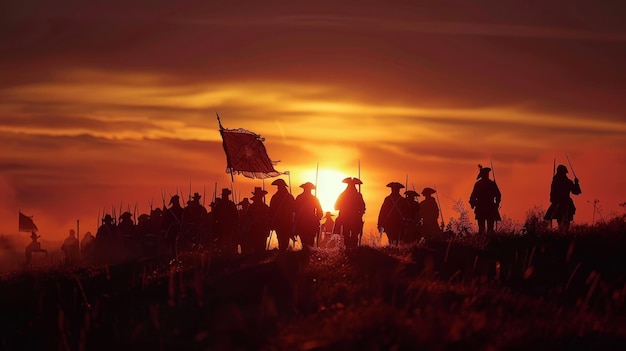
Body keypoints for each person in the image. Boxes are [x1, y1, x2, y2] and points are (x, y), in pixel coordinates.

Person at [544, 164, 582, 232]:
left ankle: (563, 234)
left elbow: (576, 192)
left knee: (564, 221)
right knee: (558, 220)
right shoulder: (562, 182)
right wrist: (576, 184)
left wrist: (576, 184)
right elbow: (576, 191)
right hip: (561, 203)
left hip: (564, 204)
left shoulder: (558, 182)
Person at [334, 177, 366, 249]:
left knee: (346, 234)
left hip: (346, 218)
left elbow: (336, 207)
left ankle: (348, 248)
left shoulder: (343, 195)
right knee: (354, 235)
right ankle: (353, 248)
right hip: (355, 218)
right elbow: (363, 208)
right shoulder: (358, 195)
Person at [469, 165, 502, 235]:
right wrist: (496, 204)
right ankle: (488, 240)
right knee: (488, 227)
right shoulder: (491, 184)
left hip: (482, 208)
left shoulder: (478, 184)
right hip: (489, 207)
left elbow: (472, 197)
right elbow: (498, 195)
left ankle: (483, 241)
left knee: (482, 228)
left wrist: (473, 204)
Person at [377, 182, 411, 246]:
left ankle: (392, 248)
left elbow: (382, 212)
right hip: (399, 222)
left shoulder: (387, 199)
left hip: (389, 222)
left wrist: (380, 223)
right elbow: (407, 212)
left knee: (391, 239)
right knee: (397, 238)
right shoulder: (403, 200)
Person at [293, 182, 323, 249]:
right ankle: (308, 253)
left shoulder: (299, 197)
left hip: (301, 222)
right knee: (311, 240)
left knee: (304, 240)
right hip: (311, 221)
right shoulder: (314, 198)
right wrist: (318, 218)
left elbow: (294, 209)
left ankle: (305, 251)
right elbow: (320, 211)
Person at [240, 187, 270, 254]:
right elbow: (247, 218)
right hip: (255, 230)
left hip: (262, 229)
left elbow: (269, 218)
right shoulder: (253, 207)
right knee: (256, 247)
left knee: (261, 247)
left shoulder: (264, 207)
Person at [268, 179, 295, 251]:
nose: (278, 188)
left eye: (278, 186)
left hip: (279, 221)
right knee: (285, 236)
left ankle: (282, 251)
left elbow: (271, 210)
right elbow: (294, 209)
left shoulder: (275, 197)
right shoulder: (290, 197)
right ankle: (284, 251)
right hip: (287, 221)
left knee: (280, 237)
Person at [212, 188, 239, 255]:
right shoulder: (219, 205)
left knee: (228, 243)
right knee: (222, 243)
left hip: (229, 228)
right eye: (224, 195)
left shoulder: (229, 205)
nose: (225, 197)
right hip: (221, 228)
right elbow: (214, 217)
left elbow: (236, 217)